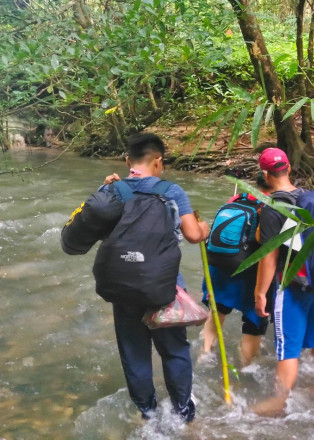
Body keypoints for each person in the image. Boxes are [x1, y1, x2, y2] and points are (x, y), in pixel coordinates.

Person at [101, 133, 210, 422]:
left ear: (128, 161)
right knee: (174, 350)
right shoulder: (171, 191)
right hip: (165, 287)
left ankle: (148, 412)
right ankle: (182, 409)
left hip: (123, 288)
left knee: (134, 353)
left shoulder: (112, 190)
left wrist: (106, 189)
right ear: (159, 161)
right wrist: (205, 226)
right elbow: (193, 235)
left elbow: (100, 233)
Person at [252, 148, 314, 415]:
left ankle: (279, 401)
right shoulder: (306, 197)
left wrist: (260, 293)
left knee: (288, 348)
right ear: (288, 169)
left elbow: (269, 256)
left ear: (265, 174)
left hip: (291, 284)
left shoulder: (273, 206)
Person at [200, 173, 270, 366]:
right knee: (253, 324)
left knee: (217, 312)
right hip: (248, 273)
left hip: (218, 269)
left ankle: (204, 354)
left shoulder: (236, 200)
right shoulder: (271, 207)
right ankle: (245, 367)